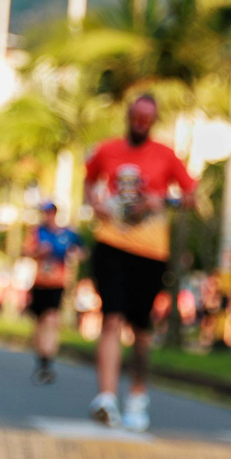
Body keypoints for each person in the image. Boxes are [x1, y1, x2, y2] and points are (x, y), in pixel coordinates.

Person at [84, 92, 198, 430]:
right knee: (111, 317)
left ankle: (137, 394)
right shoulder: (107, 150)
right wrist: (96, 204)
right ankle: (106, 397)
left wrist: (161, 200)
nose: (140, 124)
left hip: (150, 252)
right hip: (111, 243)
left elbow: (191, 197)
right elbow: (89, 182)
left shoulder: (166, 155)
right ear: (128, 116)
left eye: (147, 119)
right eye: (136, 117)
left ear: (154, 121)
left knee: (141, 332)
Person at [24, 203, 80, 384]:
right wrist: (38, 252)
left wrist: (74, 254)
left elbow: (81, 250)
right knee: (40, 323)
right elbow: (26, 252)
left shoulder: (66, 234)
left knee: (51, 320)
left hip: (57, 283)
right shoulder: (37, 232)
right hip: (40, 283)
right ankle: (41, 358)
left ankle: (48, 361)